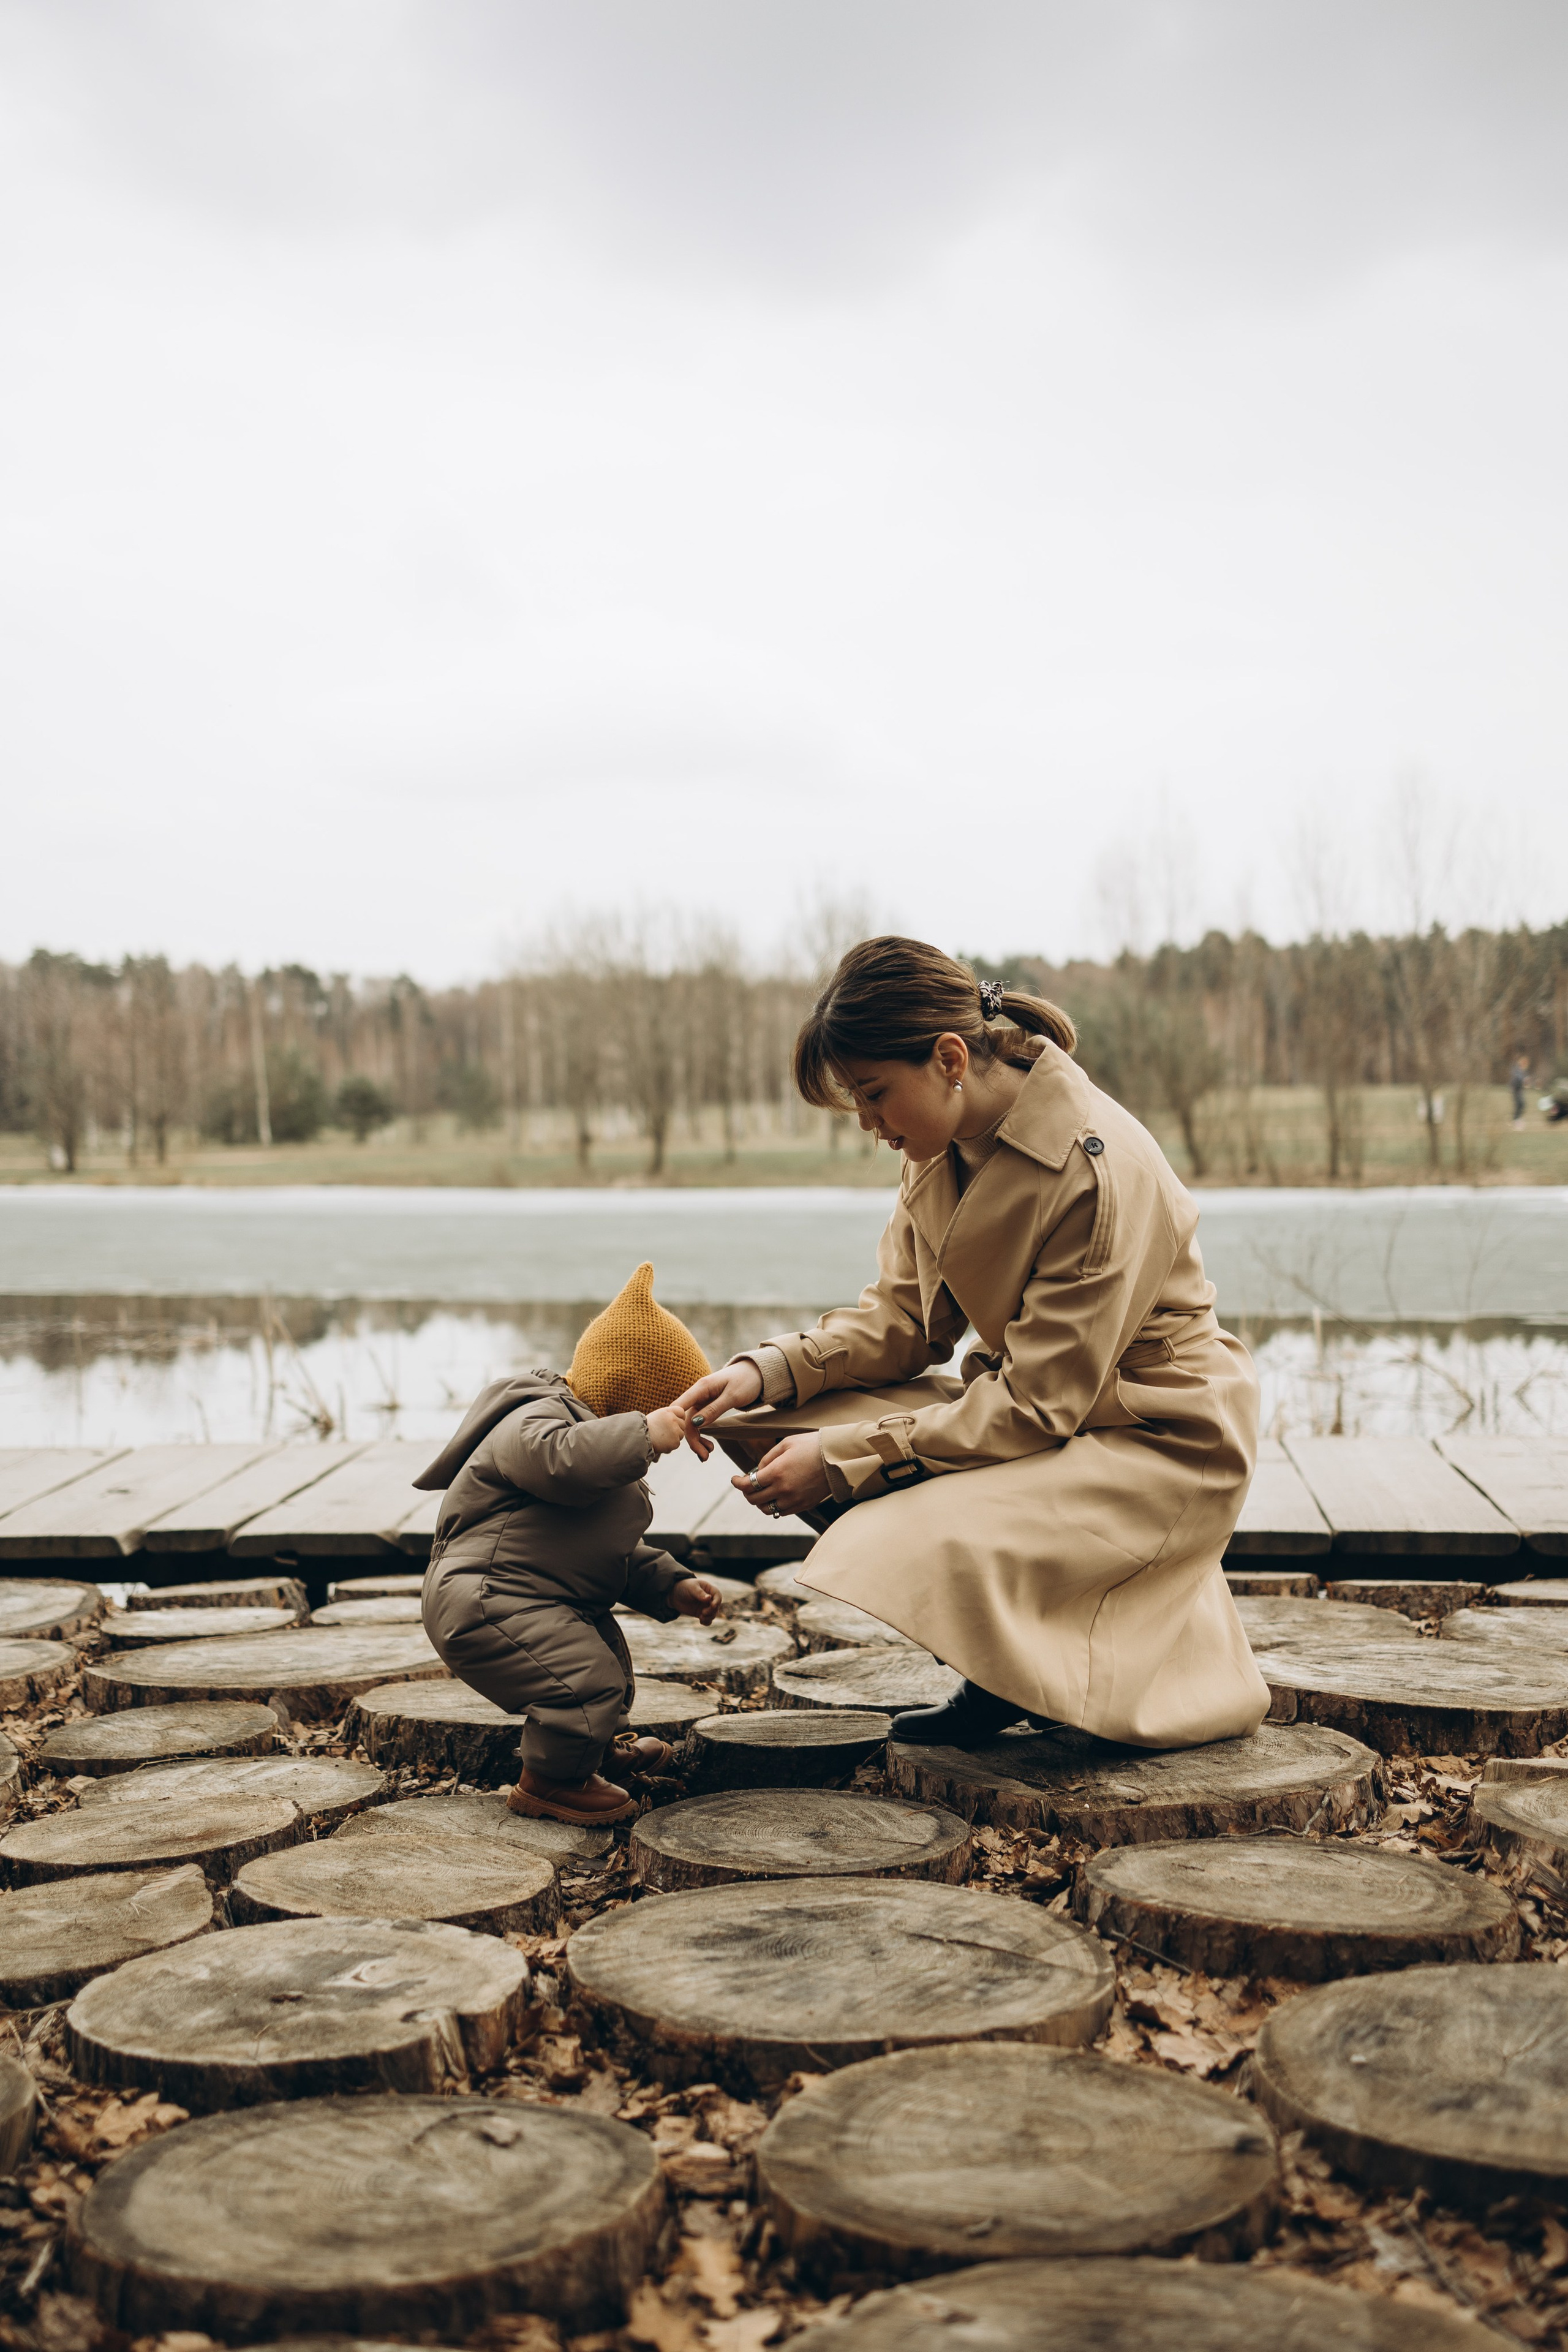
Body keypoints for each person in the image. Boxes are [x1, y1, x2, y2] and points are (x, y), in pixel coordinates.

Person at [675, 937, 1270, 1752]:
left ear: (950, 1058)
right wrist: (766, 1373)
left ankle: (1045, 1674)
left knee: (875, 1506)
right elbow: (903, 1321)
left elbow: (1036, 1405)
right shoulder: (941, 1143)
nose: (868, 1124)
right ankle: (1013, 1670)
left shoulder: (1094, 1169)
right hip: (1044, 1410)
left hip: (1156, 1434)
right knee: (768, 1426)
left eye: (875, 1094)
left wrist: (843, 1458)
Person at [416, 1263, 722, 1826]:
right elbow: (559, 1462)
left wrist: (670, 1584)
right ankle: (550, 1783)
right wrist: (643, 1433)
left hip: (527, 1596)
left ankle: (592, 1756)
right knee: (583, 1681)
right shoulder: (536, 1418)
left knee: (607, 1664)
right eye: (665, 1416)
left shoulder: (600, 1456)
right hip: (484, 1599)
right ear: (630, 1393)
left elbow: (604, 1556)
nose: (666, 1444)